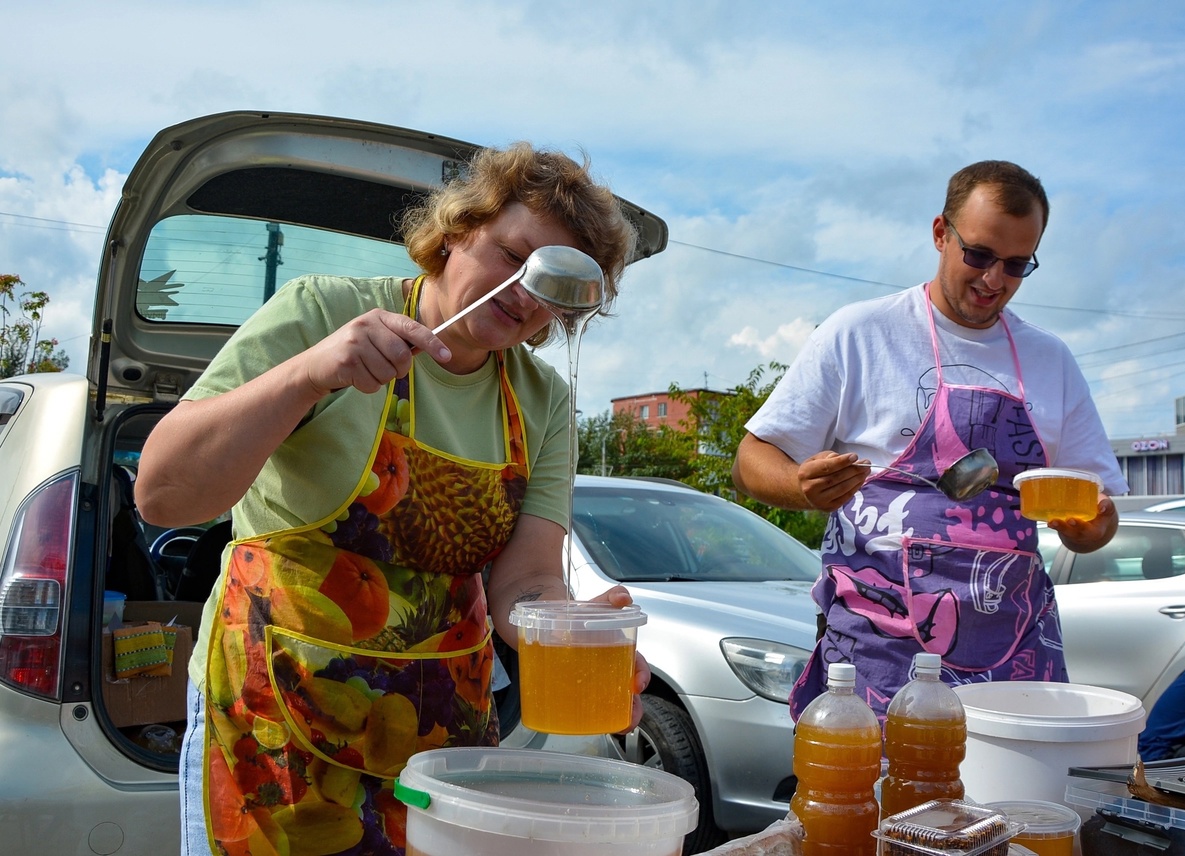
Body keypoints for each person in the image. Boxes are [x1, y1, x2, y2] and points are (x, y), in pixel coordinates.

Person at [134, 142, 650, 856]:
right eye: (513, 257)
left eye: (556, 285)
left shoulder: (542, 399)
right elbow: (162, 496)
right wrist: (308, 376)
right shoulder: (324, 312)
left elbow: (528, 578)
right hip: (276, 715)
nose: (527, 294)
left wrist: (572, 630)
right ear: (456, 230)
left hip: (441, 742)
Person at [731, 160, 1128, 721]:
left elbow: (1101, 514)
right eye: (980, 255)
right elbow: (751, 461)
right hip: (879, 649)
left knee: (1008, 806)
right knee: (874, 804)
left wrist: (1091, 528)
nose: (995, 279)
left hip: (1013, 646)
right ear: (941, 233)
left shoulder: (1051, 361)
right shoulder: (861, 333)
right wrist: (800, 486)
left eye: (1017, 265)